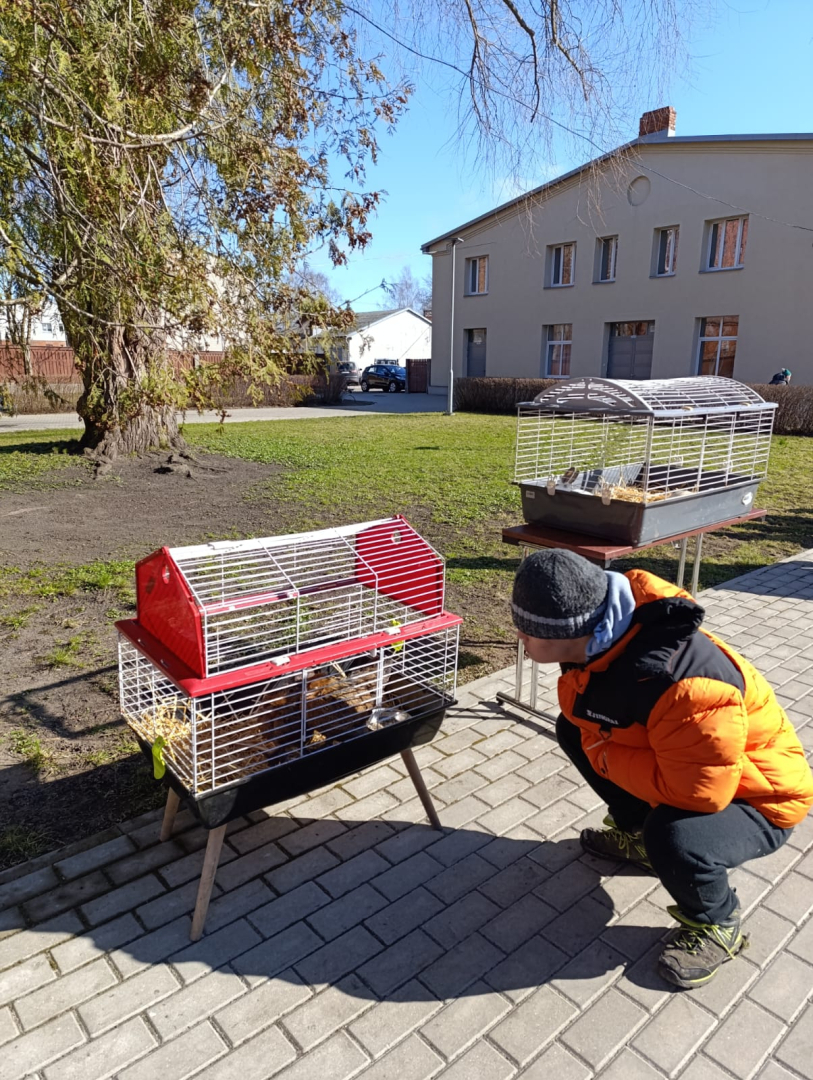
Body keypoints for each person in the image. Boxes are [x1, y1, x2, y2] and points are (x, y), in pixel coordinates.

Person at [510, 549, 813, 989]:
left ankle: (716, 923)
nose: (519, 637)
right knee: (574, 730)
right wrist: (600, 745)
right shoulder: (600, 640)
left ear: (571, 632)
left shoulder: (688, 687)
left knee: (674, 836)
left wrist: (607, 755)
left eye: (530, 632)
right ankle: (638, 841)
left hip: (760, 798)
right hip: (697, 772)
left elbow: (699, 794)